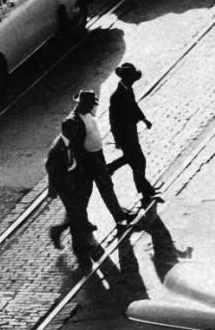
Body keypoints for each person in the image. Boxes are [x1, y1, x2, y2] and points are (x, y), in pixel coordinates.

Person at [70, 89, 135, 226]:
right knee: (87, 193)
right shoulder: (74, 121)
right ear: (82, 104)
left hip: (98, 157)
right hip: (89, 161)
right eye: (90, 104)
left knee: (107, 187)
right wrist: (84, 164)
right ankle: (80, 222)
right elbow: (75, 146)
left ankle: (119, 216)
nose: (93, 106)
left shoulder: (88, 114)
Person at [45, 116, 100, 264]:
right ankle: (79, 246)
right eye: (74, 131)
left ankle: (58, 231)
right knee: (77, 214)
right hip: (65, 187)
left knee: (77, 212)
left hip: (74, 180)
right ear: (68, 132)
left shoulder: (70, 141)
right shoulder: (57, 149)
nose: (77, 133)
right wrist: (55, 189)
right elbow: (52, 170)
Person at [108, 62, 160, 207]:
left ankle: (144, 189)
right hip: (125, 135)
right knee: (139, 161)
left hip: (131, 132)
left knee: (134, 161)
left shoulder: (128, 89)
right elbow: (113, 121)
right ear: (126, 78)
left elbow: (133, 106)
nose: (133, 81)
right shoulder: (116, 96)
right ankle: (145, 189)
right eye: (131, 78)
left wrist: (143, 119)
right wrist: (117, 139)